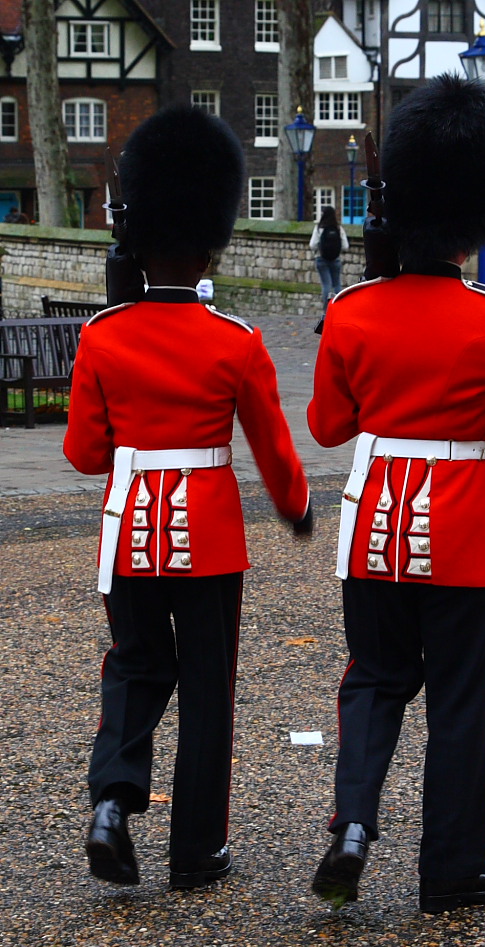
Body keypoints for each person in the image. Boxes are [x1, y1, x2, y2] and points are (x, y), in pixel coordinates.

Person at [307, 74, 485, 915]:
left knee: (371, 678)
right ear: (475, 213)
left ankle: (353, 823)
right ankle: (455, 868)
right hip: (460, 535)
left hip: (371, 529)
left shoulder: (352, 311)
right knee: (461, 697)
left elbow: (327, 428)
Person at [63, 106, 312, 891]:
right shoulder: (234, 338)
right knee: (207, 689)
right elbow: (273, 448)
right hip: (206, 536)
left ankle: (112, 803)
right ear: (210, 241)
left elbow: (82, 454)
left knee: (135, 667)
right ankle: (196, 851)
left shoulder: (102, 333)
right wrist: (296, 505)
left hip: (129, 529)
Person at [309, 206, 349, 311]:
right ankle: (338, 307)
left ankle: (326, 310)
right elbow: (345, 246)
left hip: (321, 259)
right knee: (337, 284)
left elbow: (312, 245)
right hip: (335, 259)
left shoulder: (319, 228)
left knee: (326, 285)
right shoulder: (339, 228)